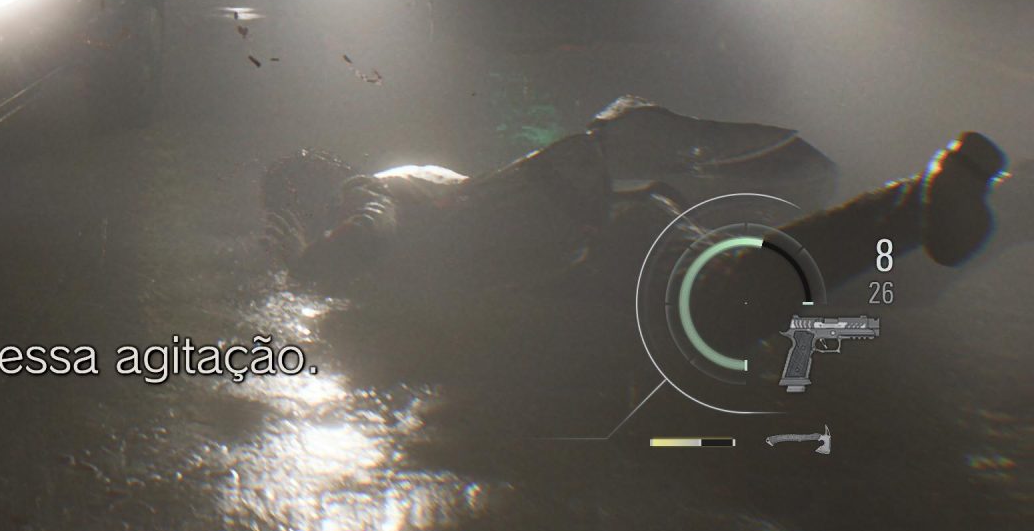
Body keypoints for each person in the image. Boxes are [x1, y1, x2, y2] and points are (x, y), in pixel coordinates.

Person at [262, 96, 1016, 364]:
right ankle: (986, 207)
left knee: (740, 301)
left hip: (603, 245)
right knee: (802, 298)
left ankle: (922, 205)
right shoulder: (417, 174)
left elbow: (365, 233)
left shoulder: (369, 190)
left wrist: (296, 269)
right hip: (611, 223)